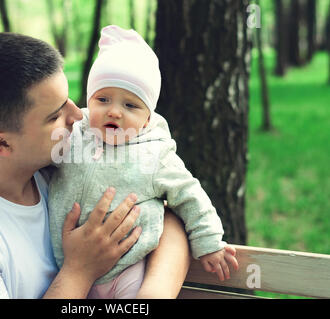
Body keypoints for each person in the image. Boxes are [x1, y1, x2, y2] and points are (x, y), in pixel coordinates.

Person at [0, 32, 191, 298]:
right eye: (54, 116)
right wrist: (79, 271)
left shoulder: (59, 165)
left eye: (69, 100)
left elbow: (167, 217)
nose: (78, 116)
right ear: (2, 144)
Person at [48, 25, 239, 299]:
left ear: (148, 118)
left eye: (130, 105)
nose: (114, 111)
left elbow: (189, 194)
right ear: (89, 100)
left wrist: (208, 242)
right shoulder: (74, 134)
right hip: (68, 270)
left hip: (128, 268)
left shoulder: (155, 154)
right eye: (103, 99)